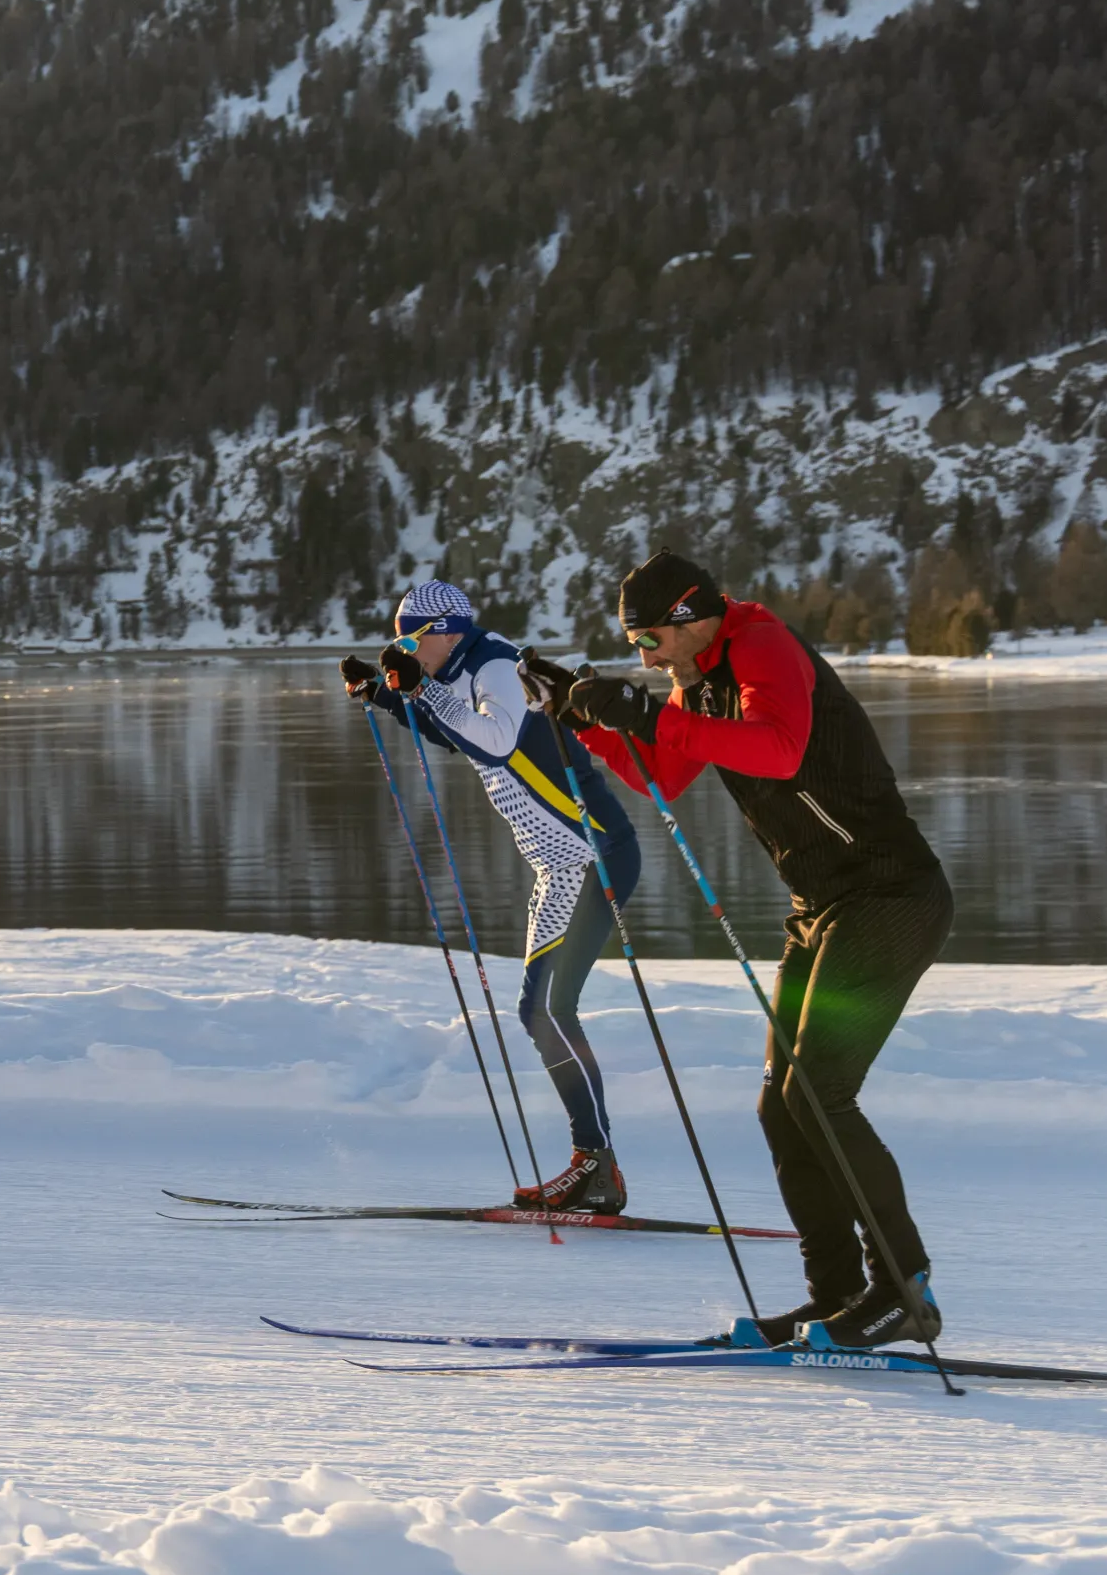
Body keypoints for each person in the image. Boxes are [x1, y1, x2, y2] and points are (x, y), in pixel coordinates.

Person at [542, 552, 952, 1348]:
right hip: (823, 906)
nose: (647, 658)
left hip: (891, 897)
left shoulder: (760, 644)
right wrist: (590, 721)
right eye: (635, 645)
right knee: (782, 1103)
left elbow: (780, 749)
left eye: (651, 638)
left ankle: (904, 1289)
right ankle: (835, 1293)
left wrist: (647, 709)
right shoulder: (693, 682)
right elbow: (662, 771)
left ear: (694, 616)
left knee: (820, 1094)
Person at [340, 578, 643, 1213]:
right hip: (558, 866)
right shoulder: (459, 667)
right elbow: (456, 736)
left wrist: (417, 690)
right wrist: (386, 697)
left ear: (444, 631)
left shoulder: (495, 665)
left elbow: (498, 741)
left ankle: (596, 1165)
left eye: (408, 638)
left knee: (547, 1013)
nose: (404, 648)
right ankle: (595, 1163)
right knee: (542, 1014)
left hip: (592, 857)